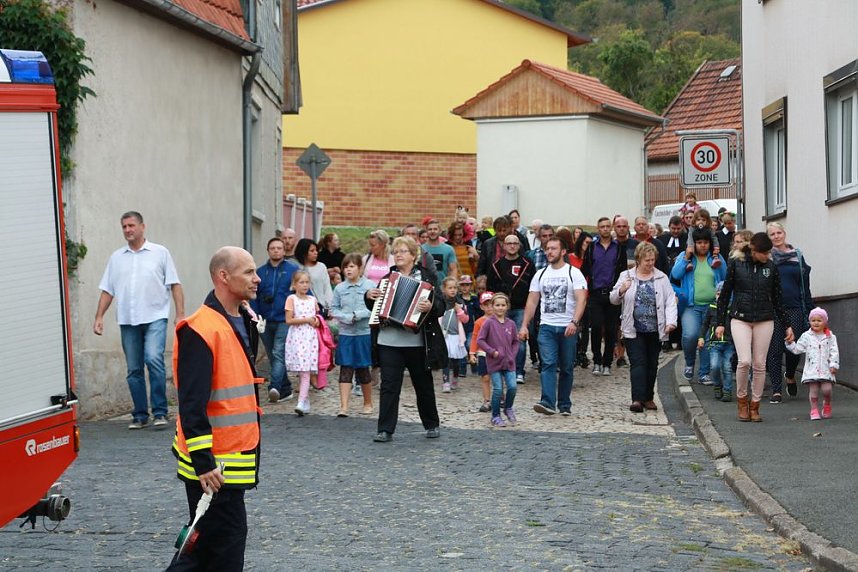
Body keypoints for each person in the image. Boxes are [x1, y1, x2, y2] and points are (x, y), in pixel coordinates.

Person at [167, 246, 259, 570]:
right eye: (248, 272)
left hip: (229, 463)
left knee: (202, 548)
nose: (256, 278)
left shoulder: (243, 319)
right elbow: (192, 405)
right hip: (215, 469)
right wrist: (204, 464)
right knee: (222, 550)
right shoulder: (200, 328)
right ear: (223, 276)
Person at [94, 211, 184, 430]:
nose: (127, 230)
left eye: (131, 225)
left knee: (153, 359)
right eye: (124, 226)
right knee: (134, 369)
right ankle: (140, 414)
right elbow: (108, 290)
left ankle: (160, 412)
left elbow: (175, 284)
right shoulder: (117, 258)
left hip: (155, 317)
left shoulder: (160, 253)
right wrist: (99, 317)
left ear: (143, 227)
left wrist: (180, 314)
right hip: (128, 319)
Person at [366, 236, 445, 443]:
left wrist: (431, 306)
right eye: (396, 252)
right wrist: (369, 296)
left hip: (417, 342)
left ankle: (431, 424)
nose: (398, 255)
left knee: (423, 385)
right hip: (389, 341)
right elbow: (376, 308)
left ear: (413, 255)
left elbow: (441, 305)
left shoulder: (427, 277)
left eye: (402, 251)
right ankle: (385, 429)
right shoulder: (386, 279)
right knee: (389, 386)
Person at [716, 232, 794, 422]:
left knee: (759, 364)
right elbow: (725, 294)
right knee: (744, 361)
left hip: (764, 318)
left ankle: (755, 405)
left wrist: (787, 325)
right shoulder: (737, 263)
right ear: (754, 250)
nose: (768, 256)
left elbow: (777, 299)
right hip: (740, 318)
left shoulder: (771, 267)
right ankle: (742, 400)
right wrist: (719, 323)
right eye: (764, 253)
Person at [520, 237, 588, 416]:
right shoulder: (540, 274)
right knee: (548, 364)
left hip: (567, 327)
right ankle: (548, 401)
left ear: (563, 251)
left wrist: (574, 321)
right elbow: (532, 301)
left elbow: (581, 299)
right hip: (547, 327)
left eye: (553, 249)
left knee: (566, 367)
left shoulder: (574, 273)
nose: (549, 252)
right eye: (547, 249)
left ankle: (564, 404)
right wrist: (524, 325)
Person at [609, 242, 677, 413]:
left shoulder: (661, 277)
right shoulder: (626, 275)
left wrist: (671, 322)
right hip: (633, 327)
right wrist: (621, 290)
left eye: (652, 260)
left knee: (652, 363)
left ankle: (648, 397)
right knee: (638, 362)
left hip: (655, 328)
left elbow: (670, 301)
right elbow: (613, 299)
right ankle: (637, 399)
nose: (650, 263)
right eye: (647, 260)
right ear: (639, 259)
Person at [671, 227, 726, 384]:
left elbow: (725, 277)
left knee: (708, 340)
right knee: (690, 335)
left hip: (712, 307)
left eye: (706, 242)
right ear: (693, 243)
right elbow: (675, 274)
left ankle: (704, 373)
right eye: (699, 242)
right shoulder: (685, 256)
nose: (702, 245)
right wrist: (687, 256)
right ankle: (689, 362)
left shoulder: (715, 258)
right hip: (691, 306)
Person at [766, 222, 813, 404]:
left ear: (784, 233)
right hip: (773, 310)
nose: (776, 236)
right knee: (775, 350)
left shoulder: (797, 256)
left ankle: (790, 374)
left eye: (779, 232)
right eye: (772, 234)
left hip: (795, 308)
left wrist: (810, 309)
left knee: (794, 349)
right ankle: (777, 390)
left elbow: (805, 284)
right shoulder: (767, 258)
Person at [252, 237, 299, 403]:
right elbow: (253, 296)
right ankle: (286, 390)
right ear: (268, 250)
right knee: (273, 356)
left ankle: (274, 387)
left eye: (279, 248)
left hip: (285, 319)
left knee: (278, 352)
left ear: (284, 251)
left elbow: (302, 290)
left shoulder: (293, 270)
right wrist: (255, 316)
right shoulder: (260, 272)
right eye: (273, 248)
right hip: (264, 320)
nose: (276, 251)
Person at [485, 232, 535, 384]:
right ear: (504, 246)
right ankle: (501, 368)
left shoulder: (527, 263)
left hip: (521, 308)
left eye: (515, 243)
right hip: (501, 310)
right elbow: (490, 288)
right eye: (509, 243)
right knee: (499, 340)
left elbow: (534, 288)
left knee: (519, 340)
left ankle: (518, 371)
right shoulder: (496, 265)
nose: (512, 246)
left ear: (519, 246)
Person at [330, 253, 374, 417]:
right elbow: (333, 309)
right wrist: (346, 317)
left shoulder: (370, 286)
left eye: (351, 266)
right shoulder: (340, 288)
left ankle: (368, 402)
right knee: (345, 367)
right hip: (346, 333)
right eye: (345, 267)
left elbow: (373, 309)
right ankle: (344, 406)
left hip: (363, 333)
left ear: (360, 268)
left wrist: (358, 315)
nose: (348, 270)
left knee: (363, 368)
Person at [581, 217, 624, 376]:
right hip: (596, 293)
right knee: (597, 327)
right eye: (602, 227)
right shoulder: (592, 247)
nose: (605, 229)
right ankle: (597, 360)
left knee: (612, 329)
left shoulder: (618, 247)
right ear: (598, 229)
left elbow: (623, 270)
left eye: (607, 226)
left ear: (610, 227)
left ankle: (607, 362)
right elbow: (584, 269)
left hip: (613, 293)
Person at [785, 307, 839, 420]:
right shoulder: (806, 336)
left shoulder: (830, 337)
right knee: (813, 391)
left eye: (819, 320)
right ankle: (814, 410)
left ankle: (827, 404)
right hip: (812, 369)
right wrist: (790, 343)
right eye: (813, 320)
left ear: (825, 322)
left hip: (826, 369)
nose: (816, 323)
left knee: (827, 389)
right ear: (809, 322)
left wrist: (834, 364)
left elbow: (834, 351)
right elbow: (797, 349)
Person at [477, 292, 520, 427]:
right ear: (493, 307)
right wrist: (492, 352)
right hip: (494, 362)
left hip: (509, 362)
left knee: (512, 386)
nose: (500, 308)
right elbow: (480, 340)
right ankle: (495, 415)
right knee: (498, 390)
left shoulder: (511, 324)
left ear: (507, 307)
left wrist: (512, 354)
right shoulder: (489, 323)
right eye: (497, 305)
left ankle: (508, 408)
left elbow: (516, 341)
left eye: (503, 305)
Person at [284, 270, 321, 416]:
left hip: (310, 337)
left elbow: (318, 318)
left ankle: (301, 401)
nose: (305, 285)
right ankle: (305, 401)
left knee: (305, 370)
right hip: (297, 337)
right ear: (294, 284)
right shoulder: (291, 299)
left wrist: (317, 321)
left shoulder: (313, 300)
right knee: (301, 369)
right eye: (301, 282)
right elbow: (289, 320)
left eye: (307, 282)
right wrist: (306, 320)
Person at [698, 283, 734, 402]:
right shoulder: (712, 308)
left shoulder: (732, 309)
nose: (721, 297)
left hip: (729, 343)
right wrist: (701, 337)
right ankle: (717, 385)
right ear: (715, 294)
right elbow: (705, 324)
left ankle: (727, 391)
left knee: (727, 367)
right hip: (714, 343)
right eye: (719, 294)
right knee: (715, 366)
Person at [438, 276, 469, 392]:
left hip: (456, 336)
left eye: (455, 288)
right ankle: (446, 382)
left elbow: (466, 319)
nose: (453, 290)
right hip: (444, 335)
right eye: (450, 288)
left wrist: (458, 310)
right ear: (444, 289)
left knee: (455, 361)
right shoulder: (440, 302)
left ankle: (455, 377)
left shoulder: (460, 302)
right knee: (445, 359)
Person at [469, 292, 494, 413]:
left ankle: (500, 398)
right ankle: (487, 400)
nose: (489, 307)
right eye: (486, 305)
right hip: (483, 353)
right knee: (485, 377)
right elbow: (475, 337)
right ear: (482, 307)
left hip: (497, 354)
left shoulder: (502, 321)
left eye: (491, 304)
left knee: (498, 378)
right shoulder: (479, 322)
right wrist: (472, 353)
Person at [295, 238, 333, 313]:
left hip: (321, 306)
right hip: (302, 308)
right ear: (304, 252)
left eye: (316, 250)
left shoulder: (321, 267)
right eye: (312, 251)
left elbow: (327, 288)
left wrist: (329, 307)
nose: (316, 253)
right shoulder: (297, 268)